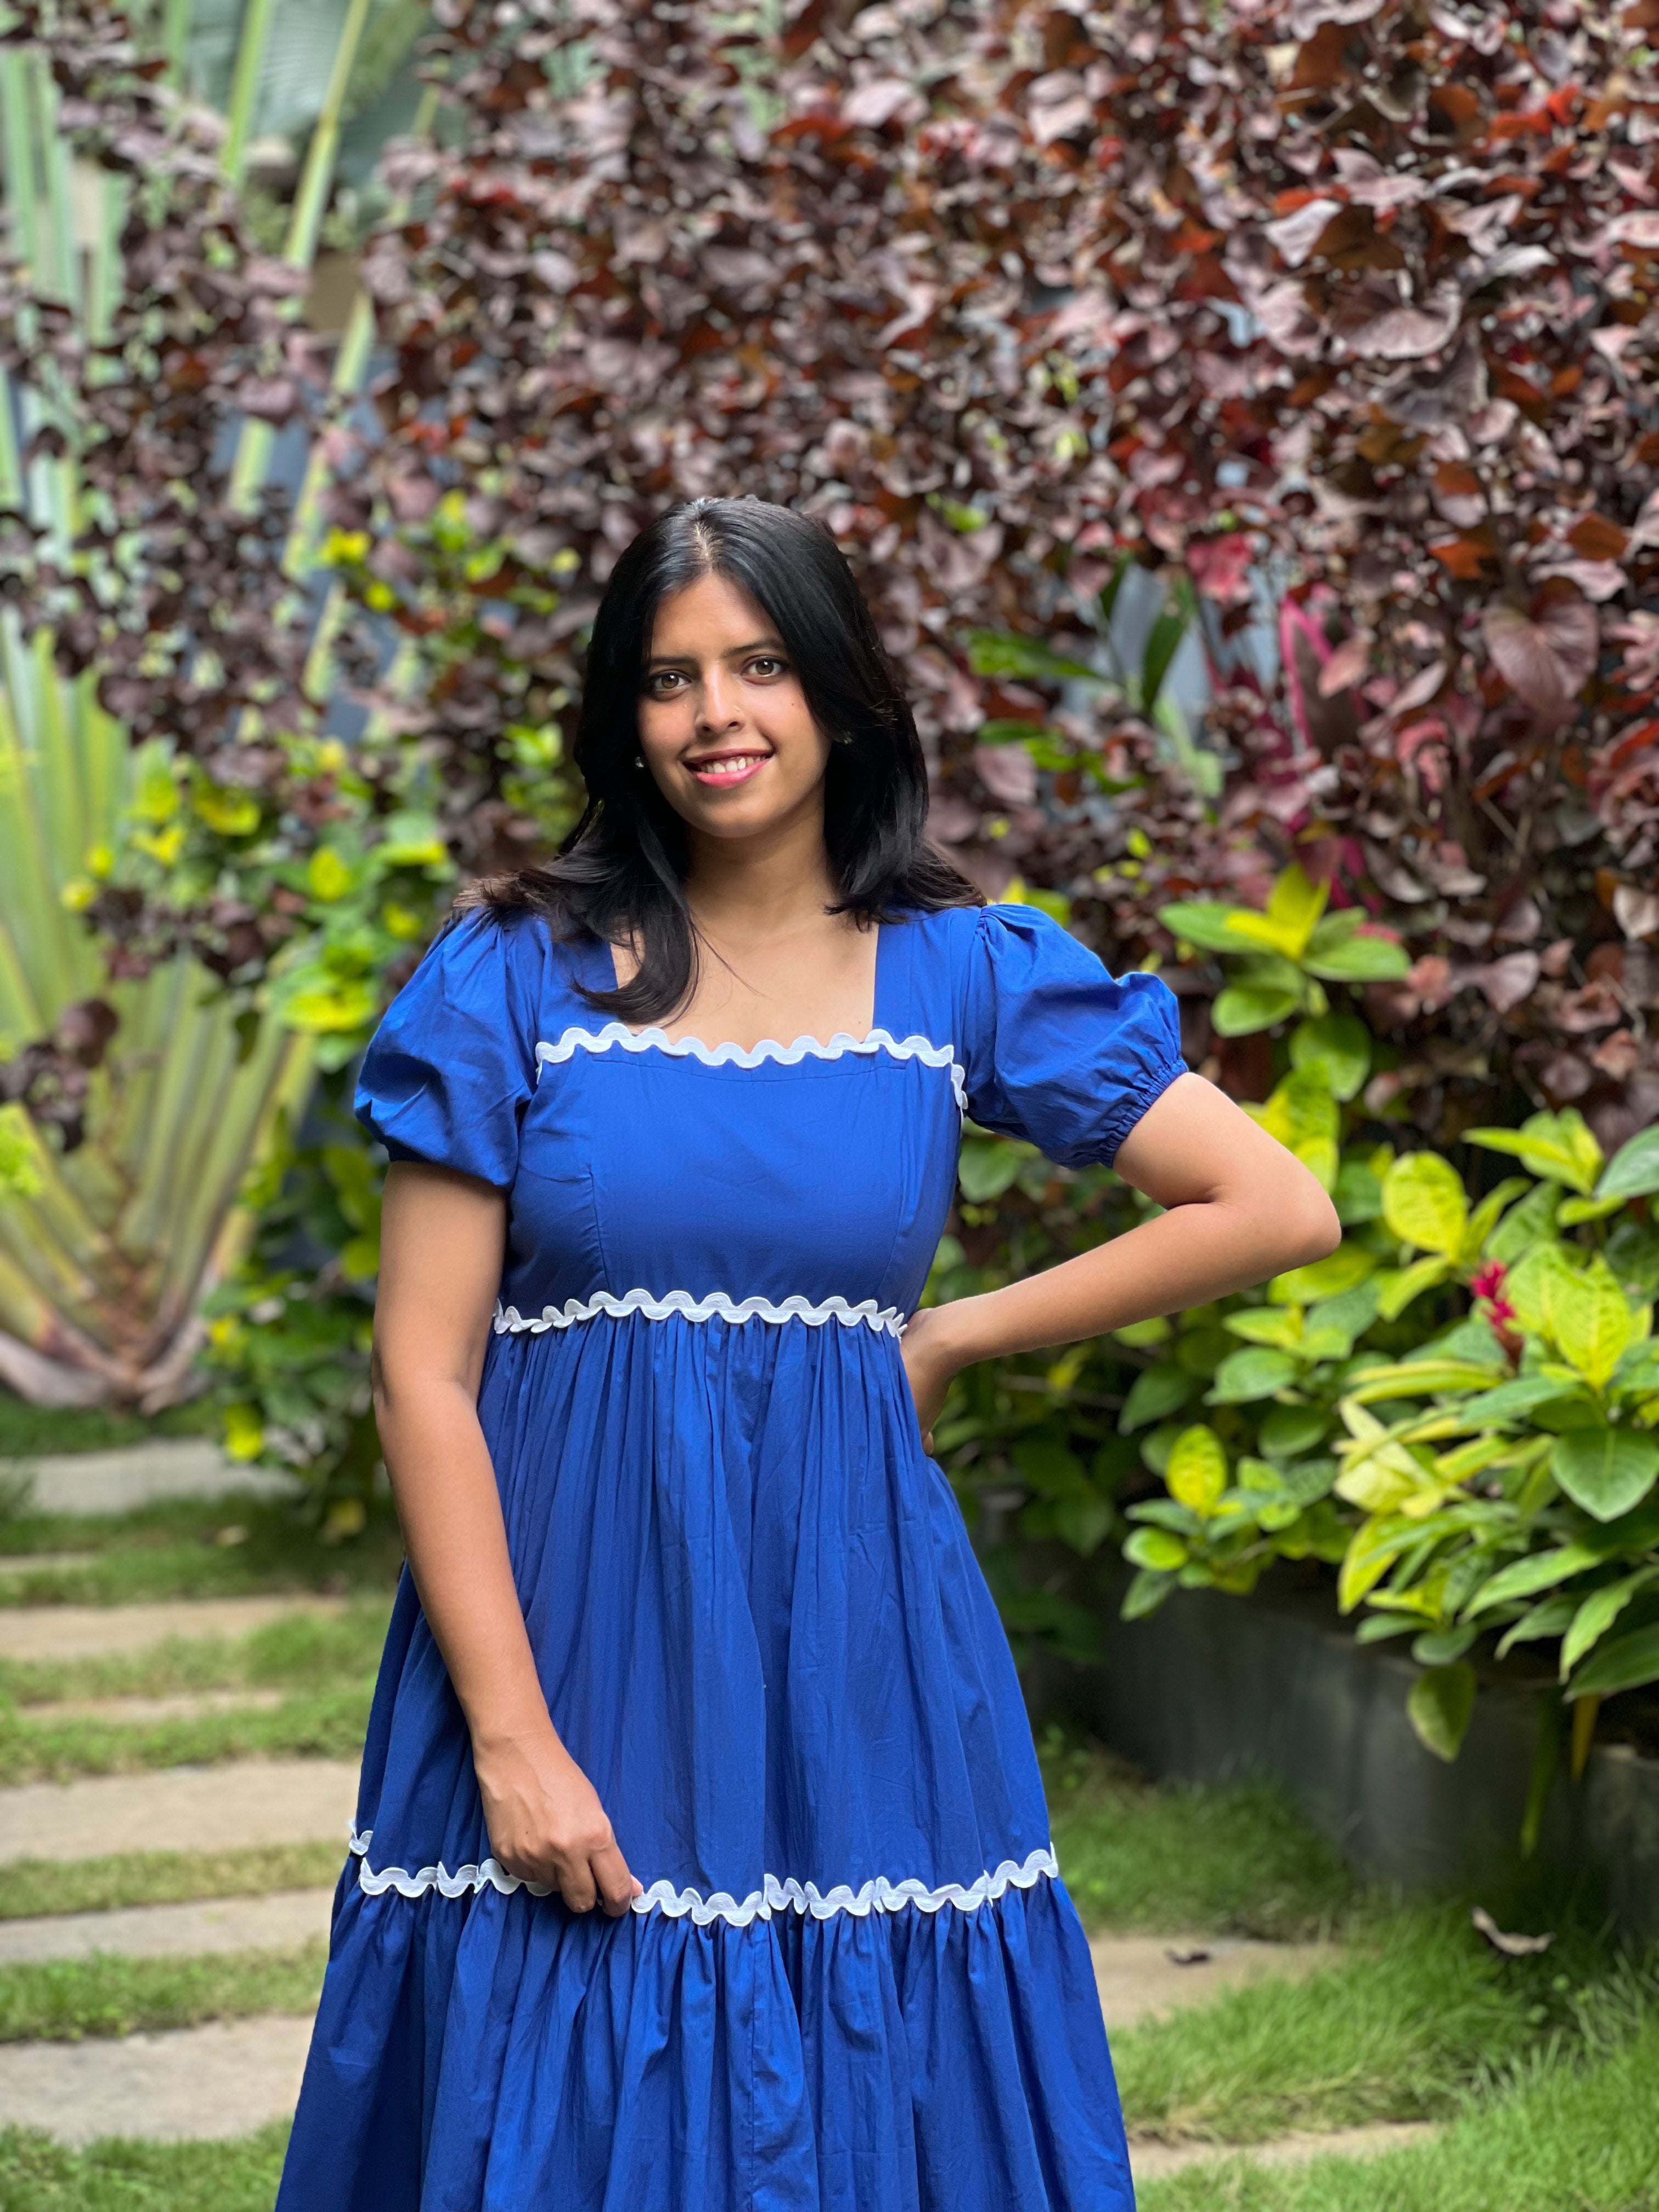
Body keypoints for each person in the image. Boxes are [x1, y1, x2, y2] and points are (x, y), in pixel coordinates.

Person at [276, 496, 1341, 2211]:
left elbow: (1271, 1203)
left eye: (762, 665)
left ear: (841, 694)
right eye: (670, 677)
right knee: (575, 2036)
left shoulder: (962, 972)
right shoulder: (512, 975)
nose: (718, 716)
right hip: (578, 1621)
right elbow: (423, 1375)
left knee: (878, 2053)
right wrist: (509, 1737)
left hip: (856, 1629)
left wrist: (957, 1336)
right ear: (620, 720)